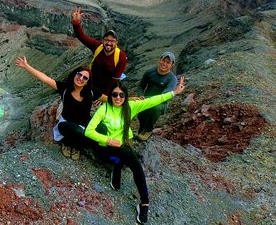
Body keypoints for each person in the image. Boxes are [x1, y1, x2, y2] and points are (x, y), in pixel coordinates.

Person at [85, 77, 186, 224]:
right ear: (110, 96)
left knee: (133, 162)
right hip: (105, 149)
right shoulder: (103, 109)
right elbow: (89, 131)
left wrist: (174, 93)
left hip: (122, 146)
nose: (118, 98)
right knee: (124, 158)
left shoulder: (130, 107)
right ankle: (117, 165)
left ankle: (144, 203)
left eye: (121, 95)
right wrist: (108, 140)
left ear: (125, 96)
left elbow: (152, 101)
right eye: (114, 95)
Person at [14, 56, 106, 160]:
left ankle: (90, 149)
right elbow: (45, 79)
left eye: (85, 78)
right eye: (79, 74)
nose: (81, 78)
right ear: (75, 74)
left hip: (85, 124)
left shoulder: (91, 91)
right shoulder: (65, 88)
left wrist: (124, 99)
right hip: (67, 124)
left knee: (102, 129)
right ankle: (69, 144)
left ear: (87, 81)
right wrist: (26, 66)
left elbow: (109, 99)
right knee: (78, 132)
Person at [71, 6, 128, 96]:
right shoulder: (98, 46)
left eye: (112, 41)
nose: (109, 43)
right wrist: (76, 22)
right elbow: (81, 37)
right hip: (90, 84)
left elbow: (115, 79)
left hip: (105, 89)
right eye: (106, 40)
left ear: (116, 43)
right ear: (102, 41)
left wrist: (104, 96)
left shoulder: (121, 56)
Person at [135, 51, 179, 141]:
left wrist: (146, 100)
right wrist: (140, 96)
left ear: (172, 65)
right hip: (145, 99)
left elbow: (164, 96)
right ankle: (141, 131)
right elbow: (141, 86)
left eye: (168, 62)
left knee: (154, 108)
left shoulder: (172, 79)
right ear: (160, 60)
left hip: (161, 103)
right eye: (163, 60)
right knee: (141, 116)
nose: (164, 64)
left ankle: (148, 130)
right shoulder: (150, 72)